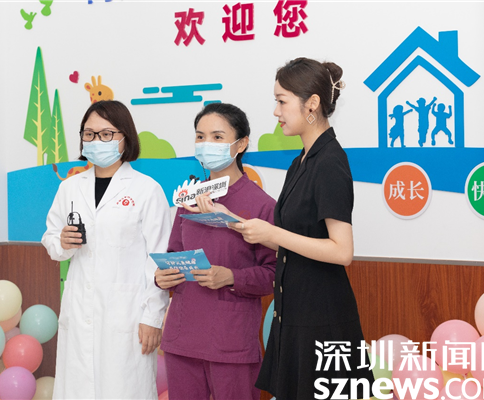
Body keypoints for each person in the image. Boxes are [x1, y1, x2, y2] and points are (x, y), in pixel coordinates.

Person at [225, 58, 375, 399]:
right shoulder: (301, 162)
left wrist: (273, 234)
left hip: (322, 319)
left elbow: (342, 251)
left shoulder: (330, 162)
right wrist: (229, 218)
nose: (276, 112)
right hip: (294, 313)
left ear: (312, 104)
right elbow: (297, 239)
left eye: (282, 101)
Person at [41, 100, 171, 399]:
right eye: (89, 134)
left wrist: (152, 317)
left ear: (125, 137)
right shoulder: (70, 188)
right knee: (78, 388)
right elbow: (51, 239)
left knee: (124, 389)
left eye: (106, 134)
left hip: (127, 315)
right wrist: (61, 242)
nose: (96, 141)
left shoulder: (146, 189)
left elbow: (159, 259)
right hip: (79, 310)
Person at [155, 103, 277, 400]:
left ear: (242, 144)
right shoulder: (188, 198)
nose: (206, 144)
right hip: (182, 337)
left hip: (230, 341)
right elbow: (174, 253)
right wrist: (162, 276)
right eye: (200, 136)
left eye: (217, 137)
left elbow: (275, 274)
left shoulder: (261, 205)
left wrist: (231, 277)